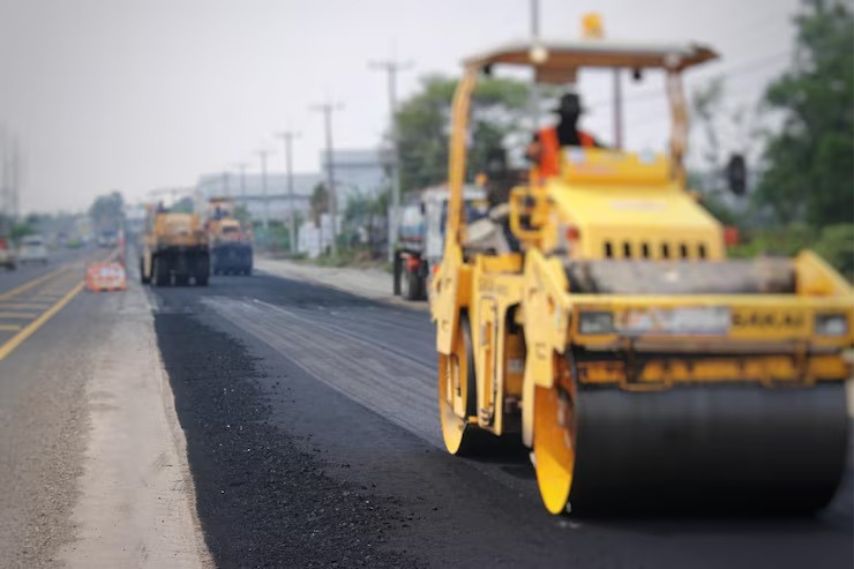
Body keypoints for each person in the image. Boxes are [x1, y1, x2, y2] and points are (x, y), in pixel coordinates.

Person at [527, 91, 599, 177]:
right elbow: (529, 155)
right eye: (567, 114)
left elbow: (605, 158)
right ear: (560, 115)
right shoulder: (542, 136)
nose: (571, 118)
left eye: (574, 114)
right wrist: (532, 154)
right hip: (548, 187)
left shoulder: (588, 139)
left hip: (580, 187)